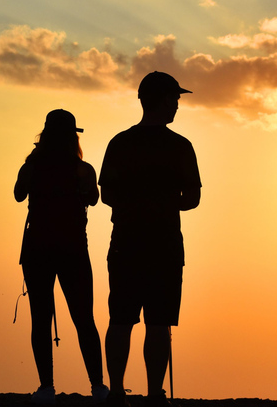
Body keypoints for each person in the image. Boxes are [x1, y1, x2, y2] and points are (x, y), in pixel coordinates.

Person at [98, 72, 201, 407]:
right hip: (164, 245)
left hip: (127, 242)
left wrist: (135, 204)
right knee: (158, 322)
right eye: (174, 99)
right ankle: (155, 395)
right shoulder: (180, 146)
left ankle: (116, 391)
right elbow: (193, 198)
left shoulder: (120, 143)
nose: (177, 105)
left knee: (122, 319)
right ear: (162, 100)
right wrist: (165, 203)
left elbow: (107, 194)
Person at [14, 109, 109, 405]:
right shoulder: (83, 169)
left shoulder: (31, 167)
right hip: (72, 250)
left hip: (37, 249)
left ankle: (46, 388)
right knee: (84, 319)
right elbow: (93, 199)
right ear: (72, 137)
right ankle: (98, 387)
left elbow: (18, 195)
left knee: (41, 319)